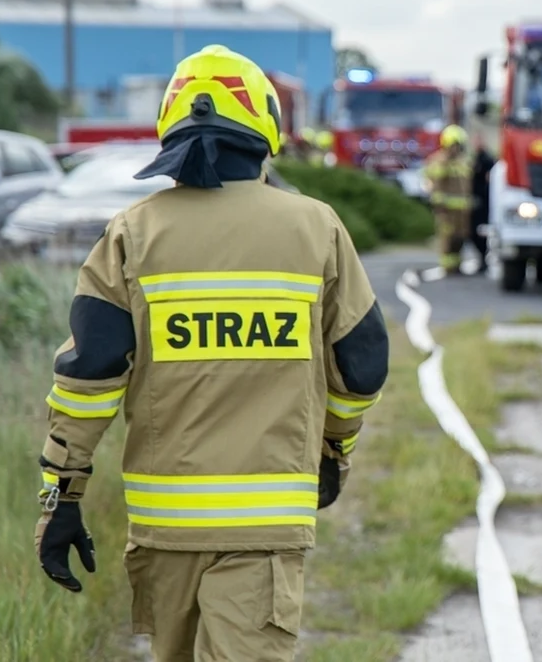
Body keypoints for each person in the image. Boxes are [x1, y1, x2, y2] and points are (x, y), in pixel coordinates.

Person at [32, 44, 389, 662]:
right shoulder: (317, 228)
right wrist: (334, 448)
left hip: (164, 528)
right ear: (265, 129)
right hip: (265, 531)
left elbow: (88, 378)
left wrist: (59, 497)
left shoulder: (133, 233)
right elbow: (362, 367)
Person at [422, 124, 472, 275]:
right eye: (455, 145)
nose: (457, 149)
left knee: (459, 239)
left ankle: (456, 265)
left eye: (459, 145)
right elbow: (435, 186)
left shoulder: (463, 162)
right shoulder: (438, 161)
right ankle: (447, 267)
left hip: (462, 210)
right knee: (447, 238)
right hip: (446, 209)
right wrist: (439, 205)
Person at [468, 131, 496, 274]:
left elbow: (489, 180)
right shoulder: (476, 158)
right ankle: (482, 259)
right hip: (475, 200)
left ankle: (483, 260)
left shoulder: (486, 160)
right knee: (473, 232)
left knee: (479, 231)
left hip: (483, 202)